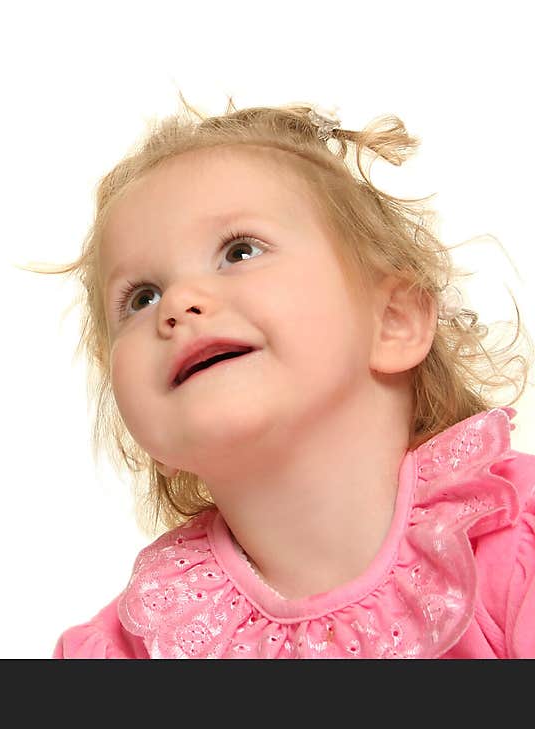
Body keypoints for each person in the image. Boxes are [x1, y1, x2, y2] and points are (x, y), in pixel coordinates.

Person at [31, 96, 535, 658]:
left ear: (392, 321)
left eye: (240, 251)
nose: (177, 303)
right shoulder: (140, 643)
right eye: (141, 297)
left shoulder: (512, 544)